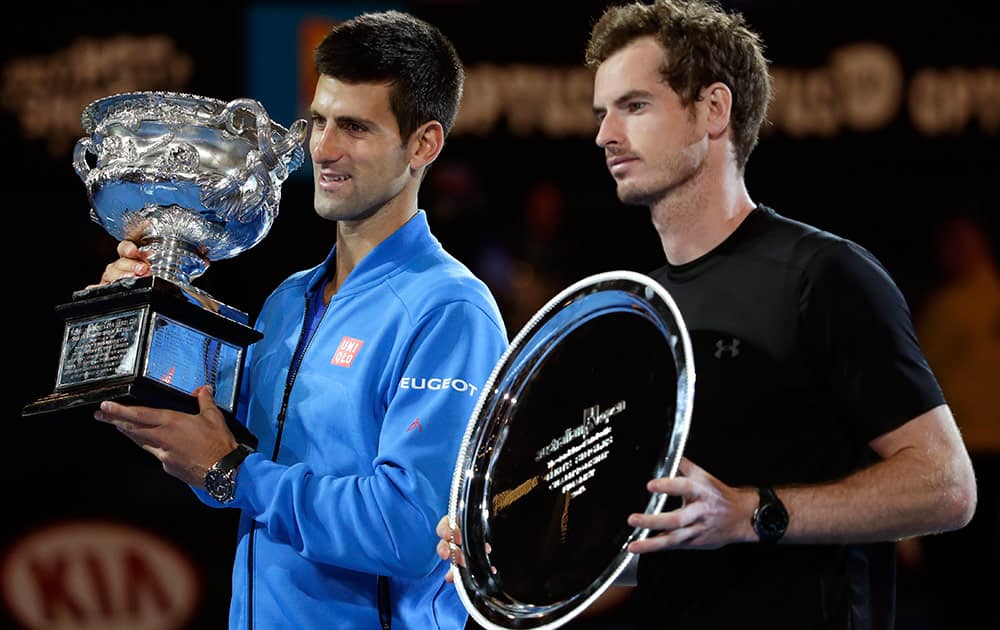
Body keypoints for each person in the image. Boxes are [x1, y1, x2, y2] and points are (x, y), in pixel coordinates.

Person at [437, 1, 976, 628]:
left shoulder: (821, 274)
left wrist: (748, 512)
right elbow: (632, 552)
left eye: (634, 106)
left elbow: (947, 486)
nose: (604, 134)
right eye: (602, 112)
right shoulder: (637, 317)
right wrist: (507, 553)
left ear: (713, 110)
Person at [93, 10, 508, 630]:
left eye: (355, 128)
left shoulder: (450, 312)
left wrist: (236, 471)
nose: (324, 149)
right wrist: (152, 308)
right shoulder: (288, 302)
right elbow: (230, 470)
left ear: (423, 144)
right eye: (319, 120)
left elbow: (409, 531)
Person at [909, 211, 1000, 629]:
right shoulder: (948, 306)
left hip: (973, 453)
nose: (953, 252)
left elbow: (916, 387)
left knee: (966, 579)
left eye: (960, 241)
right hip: (965, 453)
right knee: (962, 578)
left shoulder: (954, 307)